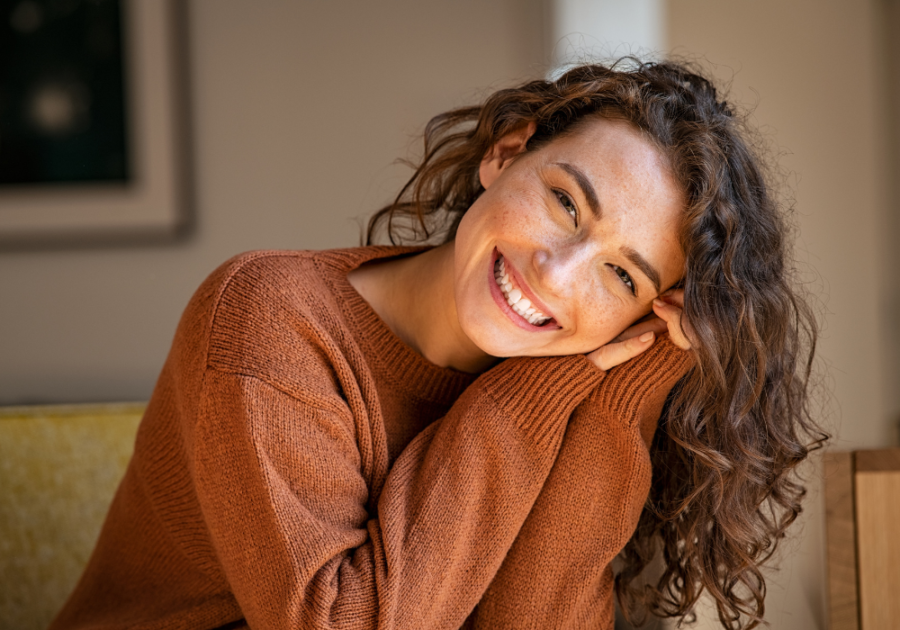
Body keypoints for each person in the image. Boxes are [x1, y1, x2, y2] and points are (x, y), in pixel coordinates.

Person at [50, 59, 824, 630]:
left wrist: (627, 387)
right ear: (504, 153)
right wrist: (539, 389)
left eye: (622, 278)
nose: (556, 275)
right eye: (563, 203)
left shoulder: (577, 378)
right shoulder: (270, 318)